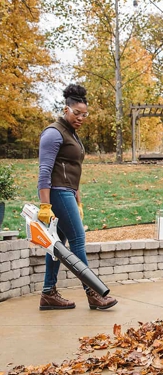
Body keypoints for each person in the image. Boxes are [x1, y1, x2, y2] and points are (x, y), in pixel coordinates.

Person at [37, 83, 118, 311]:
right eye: (77, 113)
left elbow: (74, 171)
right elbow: (44, 170)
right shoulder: (53, 133)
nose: (81, 118)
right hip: (57, 193)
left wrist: (78, 201)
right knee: (78, 240)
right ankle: (93, 293)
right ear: (66, 110)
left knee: (56, 245)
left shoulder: (72, 134)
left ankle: (48, 293)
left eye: (84, 114)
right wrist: (45, 204)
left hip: (68, 192)